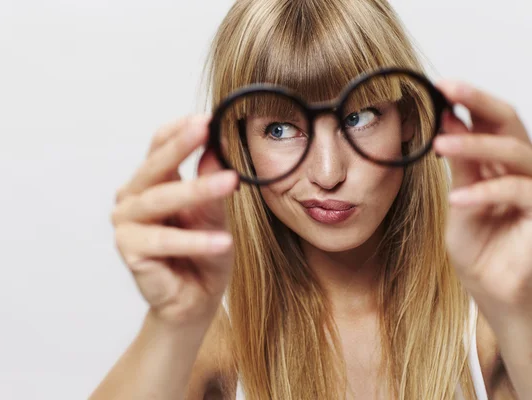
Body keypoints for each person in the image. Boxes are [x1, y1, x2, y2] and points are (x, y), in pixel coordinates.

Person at [89, 0, 532, 399]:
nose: (328, 172)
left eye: (359, 117)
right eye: (280, 129)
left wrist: (519, 305)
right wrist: (173, 324)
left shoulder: (489, 320)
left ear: (409, 123)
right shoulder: (211, 340)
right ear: (239, 144)